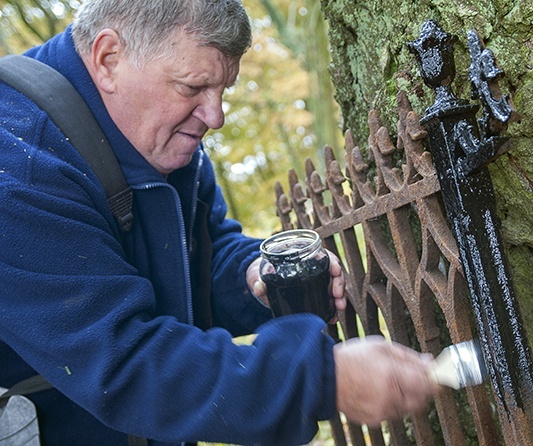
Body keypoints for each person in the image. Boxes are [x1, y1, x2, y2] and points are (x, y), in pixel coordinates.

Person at [0, 0, 438, 445]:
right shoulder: (19, 169)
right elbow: (122, 363)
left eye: (223, 90)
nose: (216, 116)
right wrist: (323, 378)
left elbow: (202, 250)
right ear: (109, 58)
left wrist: (254, 273)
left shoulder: (158, 136)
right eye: (193, 87)